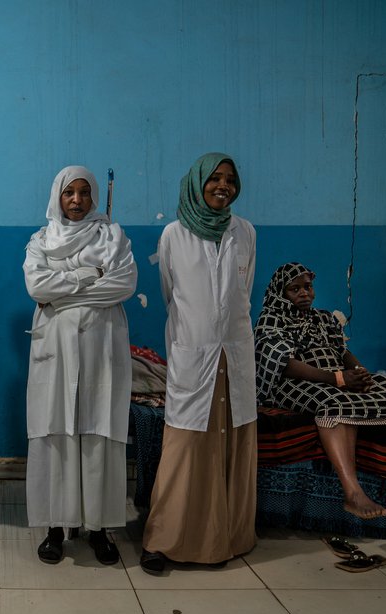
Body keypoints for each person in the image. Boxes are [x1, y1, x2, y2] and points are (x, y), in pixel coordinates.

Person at [254, 262, 386, 519]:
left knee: (383, 383)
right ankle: (353, 493)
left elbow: (342, 352)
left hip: (337, 376)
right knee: (334, 402)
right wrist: (338, 379)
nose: (304, 293)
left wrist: (359, 372)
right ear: (281, 293)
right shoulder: (271, 320)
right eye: (295, 289)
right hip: (293, 384)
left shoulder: (323, 318)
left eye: (308, 287)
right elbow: (284, 364)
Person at [141, 153, 257, 574]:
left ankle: (225, 539)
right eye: (214, 179)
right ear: (197, 183)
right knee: (185, 447)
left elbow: (242, 291)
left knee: (231, 445)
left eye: (230, 179)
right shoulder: (174, 234)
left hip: (236, 353)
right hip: (194, 353)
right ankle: (163, 540)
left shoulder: (245, 232)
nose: (222, 185)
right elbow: (172, 294)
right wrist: (194, 337)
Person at [24, 165, 137, 566]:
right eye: (69, 192)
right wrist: (90, 275)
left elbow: (123, 285)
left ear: (92, 198)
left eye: (84, 193)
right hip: (55, 351)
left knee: (99, 432)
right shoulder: (40, 240)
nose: (76, 200)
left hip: (102, 350)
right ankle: (56, 528)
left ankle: (99, 528)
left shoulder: (113, 237)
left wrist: (62, 293)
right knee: (58, 432)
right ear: (58, 196)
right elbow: (37, 287)